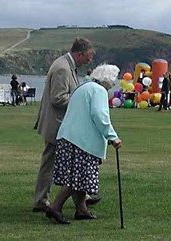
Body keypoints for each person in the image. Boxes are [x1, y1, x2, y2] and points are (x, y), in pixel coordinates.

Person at [45, 64, 122, 224]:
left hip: (68, 137)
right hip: (81, 141)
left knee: (79, 177)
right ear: (107, 80)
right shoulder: (99, 91)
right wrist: (112, 137)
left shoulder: (83, 87)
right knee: (79, 178)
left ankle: (82, 209)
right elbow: (99, 115)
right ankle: (56, 207)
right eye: (113, 81)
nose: (112, 85)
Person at [33, 37, 95, 213]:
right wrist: (82, 101)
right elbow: (58, 98)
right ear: (79, 53)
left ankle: (82, 200)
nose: (89, 61)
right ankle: (41, 200)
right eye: (88, 57)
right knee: (50, 164)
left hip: (61, 124)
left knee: (70, 162)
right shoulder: (62, 68)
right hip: (56, 125)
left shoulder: (67, 65)